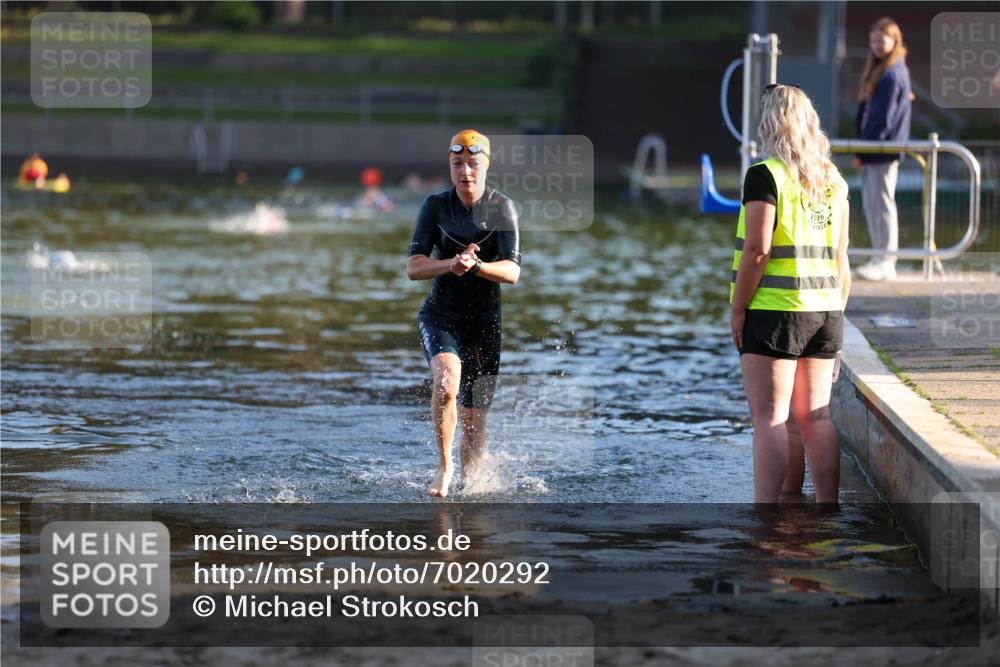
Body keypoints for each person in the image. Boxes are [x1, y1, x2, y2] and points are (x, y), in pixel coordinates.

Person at [730, 85, 852, 504]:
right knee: (815, 417)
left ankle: (765, 519)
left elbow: (758, 249)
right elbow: (841, 258)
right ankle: (822, 508)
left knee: (770, 419)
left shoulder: (765, 174)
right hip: (826, 311)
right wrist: (838, 316)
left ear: (770, 122)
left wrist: (737, 308)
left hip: (776, 311)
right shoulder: (833, 181)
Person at [406, 130, 521, 498]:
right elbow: (414, 267)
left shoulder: (503, 208)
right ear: (450, 166)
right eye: (458, 164)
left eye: (473, 164)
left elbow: (512, 272)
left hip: (485, 323)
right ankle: (444, 468)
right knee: (446, 380)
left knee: (474, 419)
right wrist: (450, 264)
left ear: (486, 166)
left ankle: (471, 487)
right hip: (442, 314)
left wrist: (475, 267)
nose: (465, 171)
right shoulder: (435, 206)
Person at [853, 17, 912, 282]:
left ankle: (886, 260)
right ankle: (880, 257)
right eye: (873, 39)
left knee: (882, 204)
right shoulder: (882, 70)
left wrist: (862, 151)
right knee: (873, 203)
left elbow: (882, 118)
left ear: (894, 40)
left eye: (882, 39)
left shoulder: (892, 74)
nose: (877, 45)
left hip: (881, 150)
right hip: (875, 150)